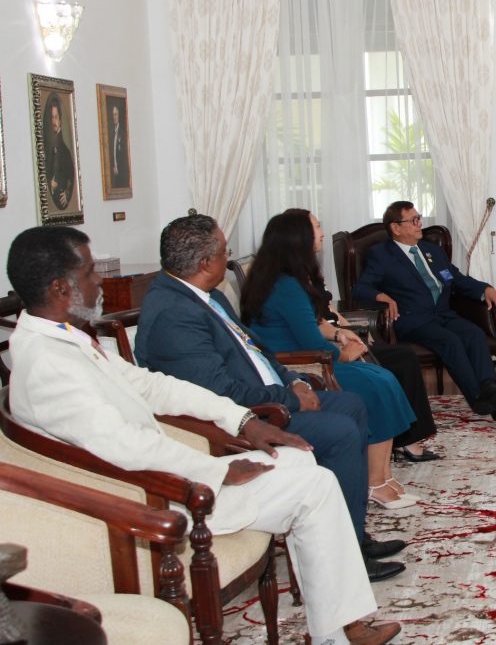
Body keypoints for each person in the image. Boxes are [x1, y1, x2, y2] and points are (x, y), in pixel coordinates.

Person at [5, 226, 400, 645]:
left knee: (300, 458)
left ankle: (339, 624)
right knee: (316, 484)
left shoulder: (64, 338)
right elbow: (124, 448)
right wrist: (214, 470)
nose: (99, 280)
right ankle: (338, 633)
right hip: (151, 498)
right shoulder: (49, 364)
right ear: (61, 288)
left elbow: (153, 386)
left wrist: (242, 420)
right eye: (89, 272)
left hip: (164, 473)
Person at [134, 214, 405, 581]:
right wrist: (289, 399)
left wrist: (295, 381)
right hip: (248, 419)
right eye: (224, 251)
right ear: (205, 263)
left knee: (353, 405)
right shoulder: (174, 315)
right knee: (340, 431)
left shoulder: (206, 296)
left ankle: (351, 533)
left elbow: (256, 352)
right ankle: (342, 559)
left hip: (270, 395)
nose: (228, 256)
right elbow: (220, 392)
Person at [240, 209, 421, 509]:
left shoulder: (285, 277)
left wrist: (339, 336)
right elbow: (309, 341)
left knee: (384, 378)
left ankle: (383, 476)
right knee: (377, 384)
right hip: (301, 365)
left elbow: (311, 326)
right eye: (316, 227)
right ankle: (373, 483)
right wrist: (345, 353)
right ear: (298, 238)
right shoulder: (285, 285)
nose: (322, 232)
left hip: (308, 355)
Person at [352, 201, 496, 427]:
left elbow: (456, 279)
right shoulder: (381, 255)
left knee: (473, 334)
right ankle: (479, 400)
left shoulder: (431, 250)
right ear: (395, 227)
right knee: (450, 341)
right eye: (413, 220)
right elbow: (360, 289)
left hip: (442, 315)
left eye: (419, 217)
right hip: (412, 319)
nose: (419, 223)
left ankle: (491, 394)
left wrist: (485, 288)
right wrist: (381, 297)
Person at [43, 93, 75, 210]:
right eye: (51, 117)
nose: (53, 121)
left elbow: (71, 176)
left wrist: (67, 193)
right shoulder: (48, 148)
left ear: (60, 120)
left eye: (56, 117)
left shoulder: (65, 152)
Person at [108, 102, 130, 189]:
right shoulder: (111, 133)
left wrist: (118, 168)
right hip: (113, 173)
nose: (114, 117)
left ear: (119, 115)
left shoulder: (123, 133)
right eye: (113, 115)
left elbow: (124, 155)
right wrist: (113, 167)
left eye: (116, 114)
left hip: (122, 173)